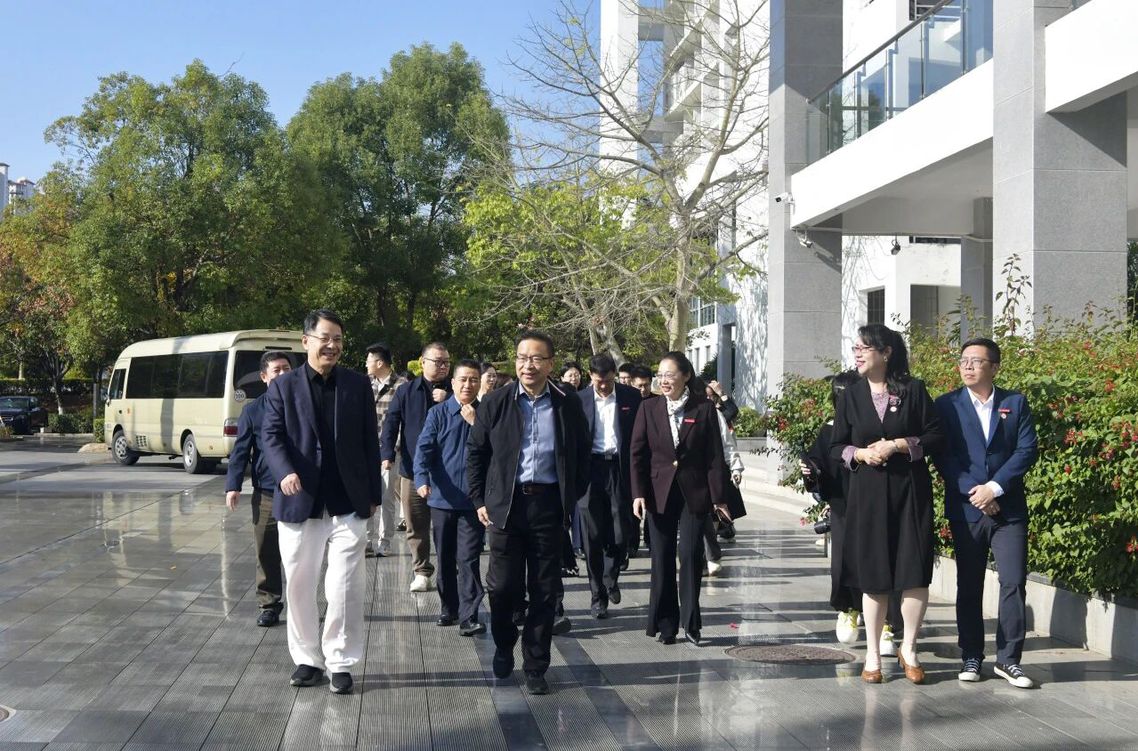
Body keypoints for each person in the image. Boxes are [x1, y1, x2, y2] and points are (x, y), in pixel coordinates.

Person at [261, 309, 383, 695]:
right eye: (325, 338)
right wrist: (285, 472)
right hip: (301, 500)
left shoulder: (357, 385)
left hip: (348, 500)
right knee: (299, 583)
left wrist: (374, 495)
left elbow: (370, 440)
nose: (332, 345)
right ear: (306, 341)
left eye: (338, 340)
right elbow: (271, 436)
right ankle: (307, 659)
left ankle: (340, 661)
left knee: (345, 584)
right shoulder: (283, 387)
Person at [467, 330, 589, 696]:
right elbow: (476, 453)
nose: (528, 365)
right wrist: (480, 499)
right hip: (506, 507)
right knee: (502, 587)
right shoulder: (496, 402)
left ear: (550, 364)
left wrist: (569, 497)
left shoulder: (567, 403)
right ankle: (504, 644)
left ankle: (536, 665)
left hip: (548, 506)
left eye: (536, 358)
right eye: (522, 358)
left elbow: (582, 454)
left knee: (544, 590)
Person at [829, 324, 943, 685]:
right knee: (874, 573)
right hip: (868, 495)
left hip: (910, 492)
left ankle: (909, 647)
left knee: (913, 570)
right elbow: (836, 446)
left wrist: (899, 445)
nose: (857, 354)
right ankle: (873, 653)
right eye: (856, 348)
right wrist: (860, 453)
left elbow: (936, 435)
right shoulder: (851, 395)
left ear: (886, 352)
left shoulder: (914, 390)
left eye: (864, 348)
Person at [933, 337, 1039, 688]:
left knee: (1013, 582)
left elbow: (1026, 450)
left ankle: (1009, 660)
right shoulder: (946, 405)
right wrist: (976, 492)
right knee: (969, 583)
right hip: (967, 509)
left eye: (976, 361)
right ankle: (971, 655)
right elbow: (944, 456)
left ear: (994, 367)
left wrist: (994, 488)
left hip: (1008, 510)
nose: (967, 366)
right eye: (964, 360)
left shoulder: (1015, 403)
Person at [631, 352, 729, 647]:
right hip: (658, 492)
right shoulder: (648, 408)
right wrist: (637, 493)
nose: (664, 380)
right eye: (660, 374)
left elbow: (714, 456)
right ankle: (666, 624)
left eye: (670, 374)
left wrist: (718, 498)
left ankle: (691, 623)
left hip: (693, 493)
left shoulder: (703, 408)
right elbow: (637, 454)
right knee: (661, 558)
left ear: (685, 376)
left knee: (689, 555)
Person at [414, 359, 487, 636]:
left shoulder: (486, 413)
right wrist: (421, 479)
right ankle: (449, 607)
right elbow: (424, 448)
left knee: (468, 557)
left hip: (473, 501)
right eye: (463, 379)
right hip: (442, 498)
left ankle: (470, 614)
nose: (468, 385)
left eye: (473, 379)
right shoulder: (438, 413)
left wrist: (476, 423)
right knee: (445, 557)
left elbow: (495, 447)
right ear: (453, 383)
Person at [224, 351, 293, 627]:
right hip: (267, 492)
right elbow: (241, 451)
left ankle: (303, 605)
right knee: (266, 549)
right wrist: (233, 486)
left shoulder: (304, 404)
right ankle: (269, 604)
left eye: (287, 368)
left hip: (301, 491)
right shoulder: (253, 411)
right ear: (264, 377)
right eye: (277, 370)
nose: (283, 374)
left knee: (302, 552)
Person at [381, 342, 452, 592]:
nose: (443, 366)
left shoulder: (456, 389)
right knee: (415, 525)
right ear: (423, 362)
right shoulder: (406, 391)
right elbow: (392, 423)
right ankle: (421, 570)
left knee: (447, 526)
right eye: (437, 361)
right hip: (413, 469)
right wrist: (387, 454)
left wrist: (449, 400)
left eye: (446, 362)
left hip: (449, 471)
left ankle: (450, 569)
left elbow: (474, 414)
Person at [577, 354, 642, 618]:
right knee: (592, 536)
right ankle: (597, 595)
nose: (603, 386)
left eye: (607, 380)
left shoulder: (631, 397)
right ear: (590, 376)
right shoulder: (579, 400)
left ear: (614, 374)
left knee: (620, 531)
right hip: (590, 471)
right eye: (598, 381)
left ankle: (611, 576)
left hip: (619, 469)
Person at [365, 342, 406, 558]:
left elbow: (403, 422)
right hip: (366, 449)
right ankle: (366, 540)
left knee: (387, 497)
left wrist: (392, 450)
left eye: (369, 360)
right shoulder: (366, 383)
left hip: (390, 450)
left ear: (380, 363)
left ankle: (385, 541)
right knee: (365, 495)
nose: (366, 364)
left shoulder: (402, 385)